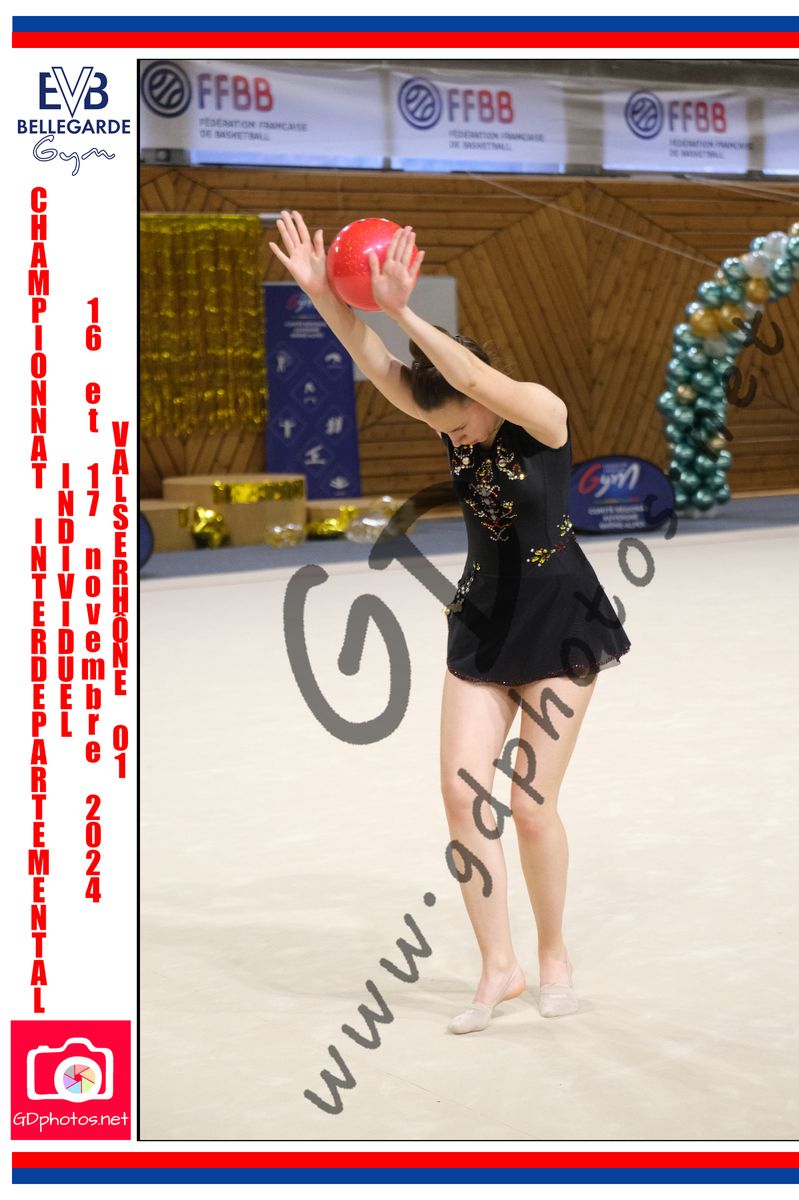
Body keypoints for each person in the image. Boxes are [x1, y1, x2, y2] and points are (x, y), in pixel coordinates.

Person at [270, 212, 631, 1034]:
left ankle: (553, 957)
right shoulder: (448, 410)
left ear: (480, 392)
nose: (453, 437)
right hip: (482, 621)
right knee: (461, 797)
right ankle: (500, 966)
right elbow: (375, 362)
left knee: (529, 806)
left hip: (561, 622)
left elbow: (466, 375)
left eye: (460, 423)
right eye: (443, 430)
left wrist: (404, 307)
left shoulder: (539, 413)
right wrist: (326, 294)